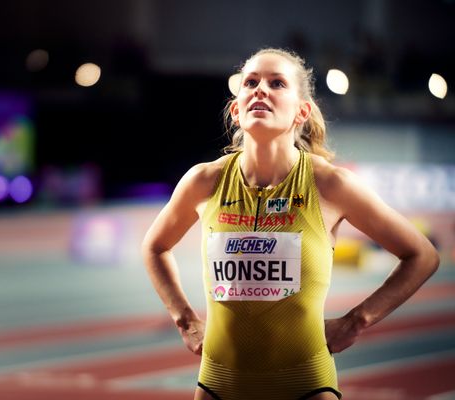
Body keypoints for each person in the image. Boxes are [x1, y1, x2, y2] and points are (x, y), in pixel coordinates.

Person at [141, 47, 439, 400]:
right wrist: (185, 320)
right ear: (236, 110)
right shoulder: (203, 182)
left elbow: (422, 255)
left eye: (277, 83)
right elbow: (155, 247)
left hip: (305, 385)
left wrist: (358, 320)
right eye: (251, 82)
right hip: (218, 385)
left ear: (302, 111)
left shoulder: (330, 185)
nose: (260, 90)